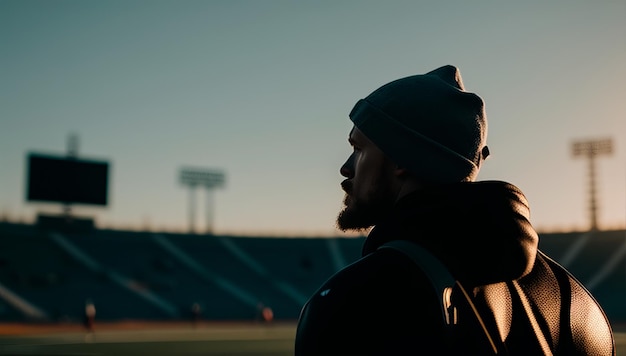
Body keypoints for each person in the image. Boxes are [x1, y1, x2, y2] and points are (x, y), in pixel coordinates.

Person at [294, 65, 615, 355]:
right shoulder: (580, 306)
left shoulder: (352, 306)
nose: (346, 168)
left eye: (358, 148)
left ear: (403, 158)